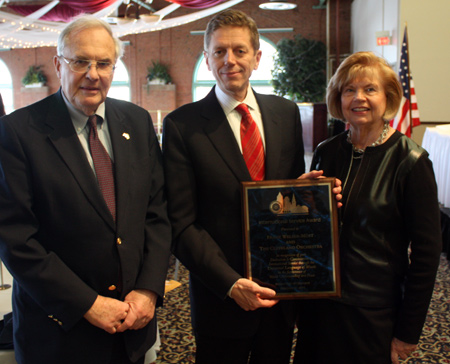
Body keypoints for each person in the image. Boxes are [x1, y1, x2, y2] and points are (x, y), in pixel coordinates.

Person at [163, 9, 341, 364]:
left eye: (240, 51)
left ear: (257, 58)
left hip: (279, 295)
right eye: (219, 51)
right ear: (207, 59)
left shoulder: (285, 113)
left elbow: (283, 201)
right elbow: (181, 223)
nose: (230, 60)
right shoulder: (182, 126)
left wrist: (307, 193)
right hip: (220, 298)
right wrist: (230, 284)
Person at [0, 16, 171, 364]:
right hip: (60, 334)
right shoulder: (17, 132)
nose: (93, 73)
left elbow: (156, 213)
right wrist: (87, 304)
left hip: (133, 324)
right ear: (58, 64)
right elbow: (15, 238)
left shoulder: (137, 122)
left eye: (104, 63)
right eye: (80, 61)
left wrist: (149, 289)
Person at [293, 51, 442, 364]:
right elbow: (312, 229)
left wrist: (409, 330)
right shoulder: (326, 151)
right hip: (320, 307)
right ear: (339, 99)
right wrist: (299, 198)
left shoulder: (411, 162)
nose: (358, 98)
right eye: (349, 90)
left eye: (369, 89)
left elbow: (427, 255)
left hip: (372, 313)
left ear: (387, 98)